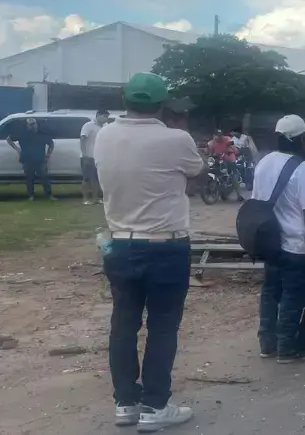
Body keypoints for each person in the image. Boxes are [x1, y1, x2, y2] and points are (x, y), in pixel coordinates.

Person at [93, 72, 206, 431]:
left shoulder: (104, 134)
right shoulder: (177, 139)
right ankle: (155, 407)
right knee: (162, 327)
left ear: (125, 100)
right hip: (166, 245)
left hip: (119, 243)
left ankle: (125, 402)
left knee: (123, 324)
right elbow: (197, 176)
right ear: (162, 104)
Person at [254, 115, 305, 364]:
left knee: (270, 292)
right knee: (292, 296)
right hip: (296, 243)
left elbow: (257, 203)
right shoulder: (301, 167)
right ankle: (287, 348)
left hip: (270, 242)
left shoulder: (264, 162)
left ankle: (268, 344)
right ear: (299, 139)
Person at [7, 117, 55, 201]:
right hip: (27, 159)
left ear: (36, 124)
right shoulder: (22, 133)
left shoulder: (42, 133)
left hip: (40, 159)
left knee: (44, 178)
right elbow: (9, 139)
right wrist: (17, 149)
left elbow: (51, 144)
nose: (33, 126)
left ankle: (49, 195)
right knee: (29, 178)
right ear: (27, 126)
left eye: (34, 124)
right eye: (30, 125)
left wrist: (48, 155)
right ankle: (31, 196)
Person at [80, 109, 110, 205]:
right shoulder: (88, 125)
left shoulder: (104, 127)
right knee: (87, 178)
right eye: (105, 117)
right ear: (99, 116)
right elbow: (83, 139)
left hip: (98, 157)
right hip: (88, 156)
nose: (106, 119)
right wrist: (84, 154)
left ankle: (96, 198)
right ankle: (85, 199)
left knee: (97, 178)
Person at [206, 130, 243, 202]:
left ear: (222, 135)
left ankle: (239, 195)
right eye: (217, 135)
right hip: (218, 160)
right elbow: (209, 150)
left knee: (233, 176)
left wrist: (236, 152)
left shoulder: (228, 139)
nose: (218, 137)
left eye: (220, 135)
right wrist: (209, 154)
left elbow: (234, 147)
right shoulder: (213, 142)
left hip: (229, 159)